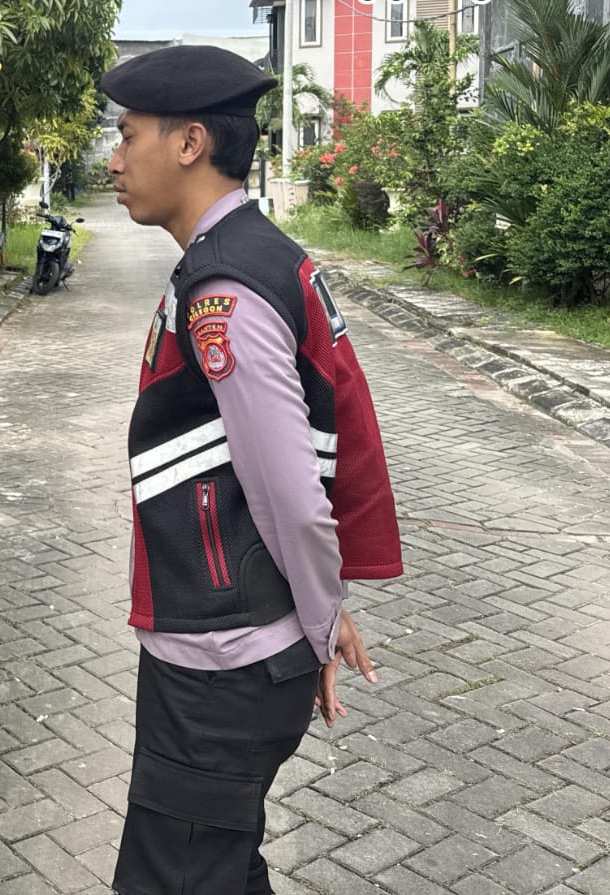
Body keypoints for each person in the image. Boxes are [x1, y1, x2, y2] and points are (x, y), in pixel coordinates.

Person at [97, 47, 405, 893]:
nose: (114, 160)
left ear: (190, 142)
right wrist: (321, 612)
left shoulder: (225, 289)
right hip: (232, 646)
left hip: (221, 663)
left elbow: (289, 494)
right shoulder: (252, 252)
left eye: (127, 136)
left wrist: (322, 622)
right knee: (217, 868)